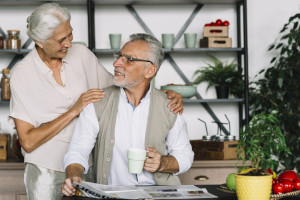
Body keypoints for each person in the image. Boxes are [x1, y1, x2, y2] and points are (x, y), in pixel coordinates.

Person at [9, 3, 183, 200]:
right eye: (61, 40)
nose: (69, 43)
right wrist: (74, 110)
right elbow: (28, 142)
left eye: (70, 33)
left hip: (87, 167)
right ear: (39, 41)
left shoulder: (81, 55)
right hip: (46, 171)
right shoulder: (21, 75)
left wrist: (162, 95)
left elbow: (124, 85)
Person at [61, 33, 194, 196]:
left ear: (150, 70)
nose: (116, 63)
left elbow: (185, 155)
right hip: (113, 194)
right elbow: (78, 150)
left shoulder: (170, 105)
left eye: (129, 59)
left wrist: (162, 164)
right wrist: (73, 175)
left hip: (160, 194)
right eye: (119, 56)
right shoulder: (97, 102)